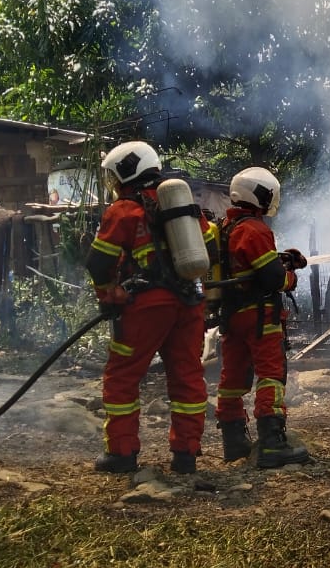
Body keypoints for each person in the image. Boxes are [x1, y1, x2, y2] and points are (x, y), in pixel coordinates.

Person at [84, 141, 219, 475]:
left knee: (123, 376)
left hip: (145, 307)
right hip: (188, 303)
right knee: (187, 376)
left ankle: (122, 453)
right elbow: (212, 250)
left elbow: (98, 262)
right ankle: (186, 455)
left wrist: (107, 295)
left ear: (126, 173)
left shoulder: (123, 211)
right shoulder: (183, 205)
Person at [213, 165, 310, 469]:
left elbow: (251, 265)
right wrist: (290, 278)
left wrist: (282, 259)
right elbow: (273, 278)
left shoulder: (225, 228)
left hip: (232, 316)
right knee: (270, 374)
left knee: (232, 378)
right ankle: (271, 443)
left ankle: (234, 443)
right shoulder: (254, 229)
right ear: (260, 195)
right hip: (259, 317)